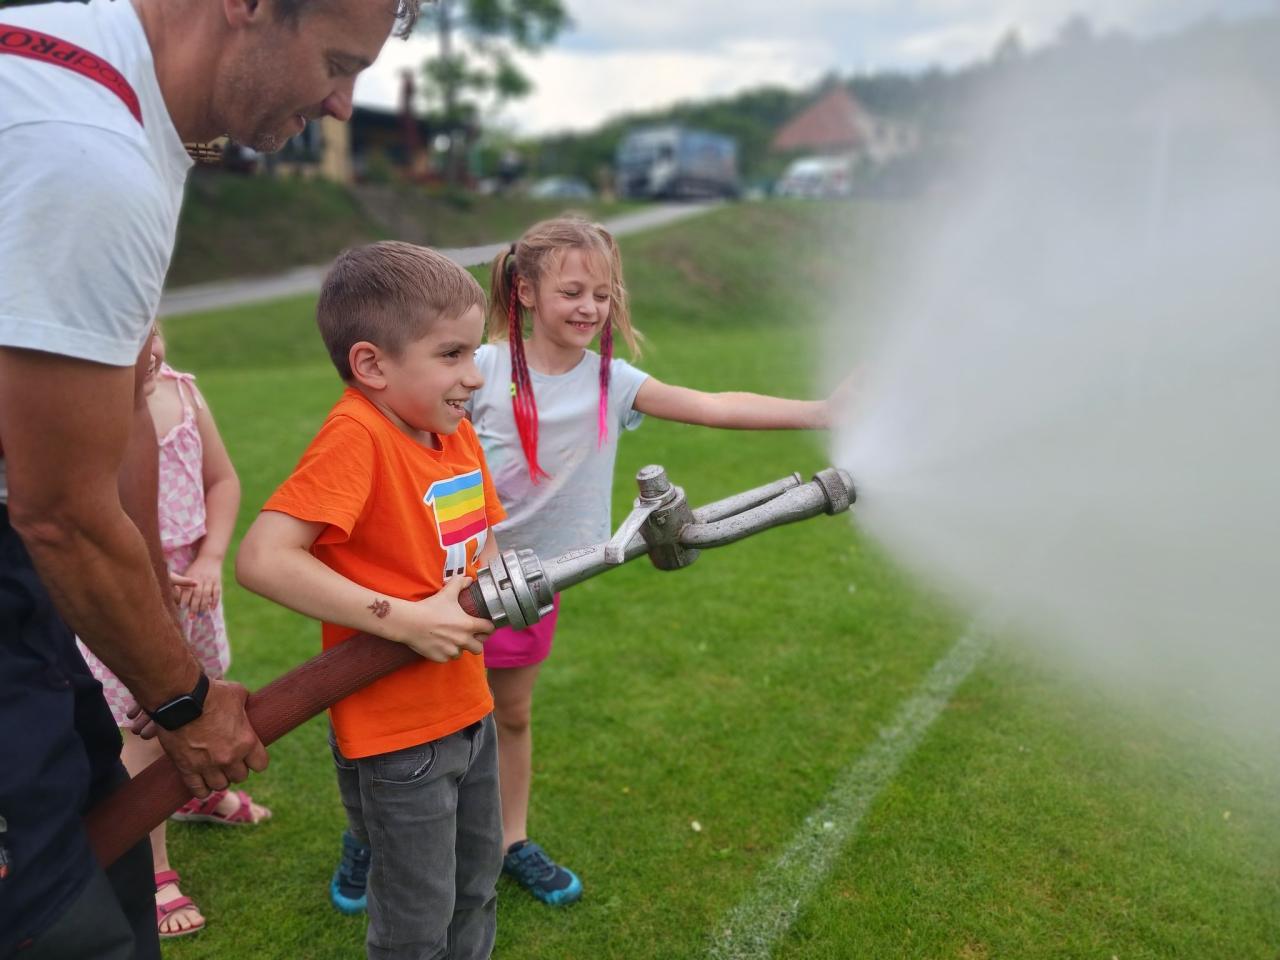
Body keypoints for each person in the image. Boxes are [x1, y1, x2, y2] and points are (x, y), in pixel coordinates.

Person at [0, 0, 419, 954]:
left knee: (99, 833)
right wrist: (186, 704)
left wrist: (170, 673)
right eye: (337, 62)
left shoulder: (126, 111)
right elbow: (60, 512)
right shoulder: (84, 149)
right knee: (61, 924)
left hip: (20, 571)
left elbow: (122, 423)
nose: (344, 104)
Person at [236, 242, 504, 960]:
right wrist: (408, 620)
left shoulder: (452, 433)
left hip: (469, 706)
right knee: (417, 922)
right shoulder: (358, 435)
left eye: (474, 352)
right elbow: (263, 559)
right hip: (399, 737)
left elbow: (486, 538)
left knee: (476, 887)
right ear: (372, 365)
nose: (474, 375)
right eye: (451, 354)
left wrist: (498, 586)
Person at [77, 330, 270, 940]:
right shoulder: (84, 407)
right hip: (128, 597)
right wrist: (148, 575)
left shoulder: (183, 392)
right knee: (148, 729)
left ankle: (197, 796)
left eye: (152, 330)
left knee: (204, 698)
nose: (150, 347)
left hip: (194, 593)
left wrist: (211, 558)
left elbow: (223, 481)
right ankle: (152, 869)